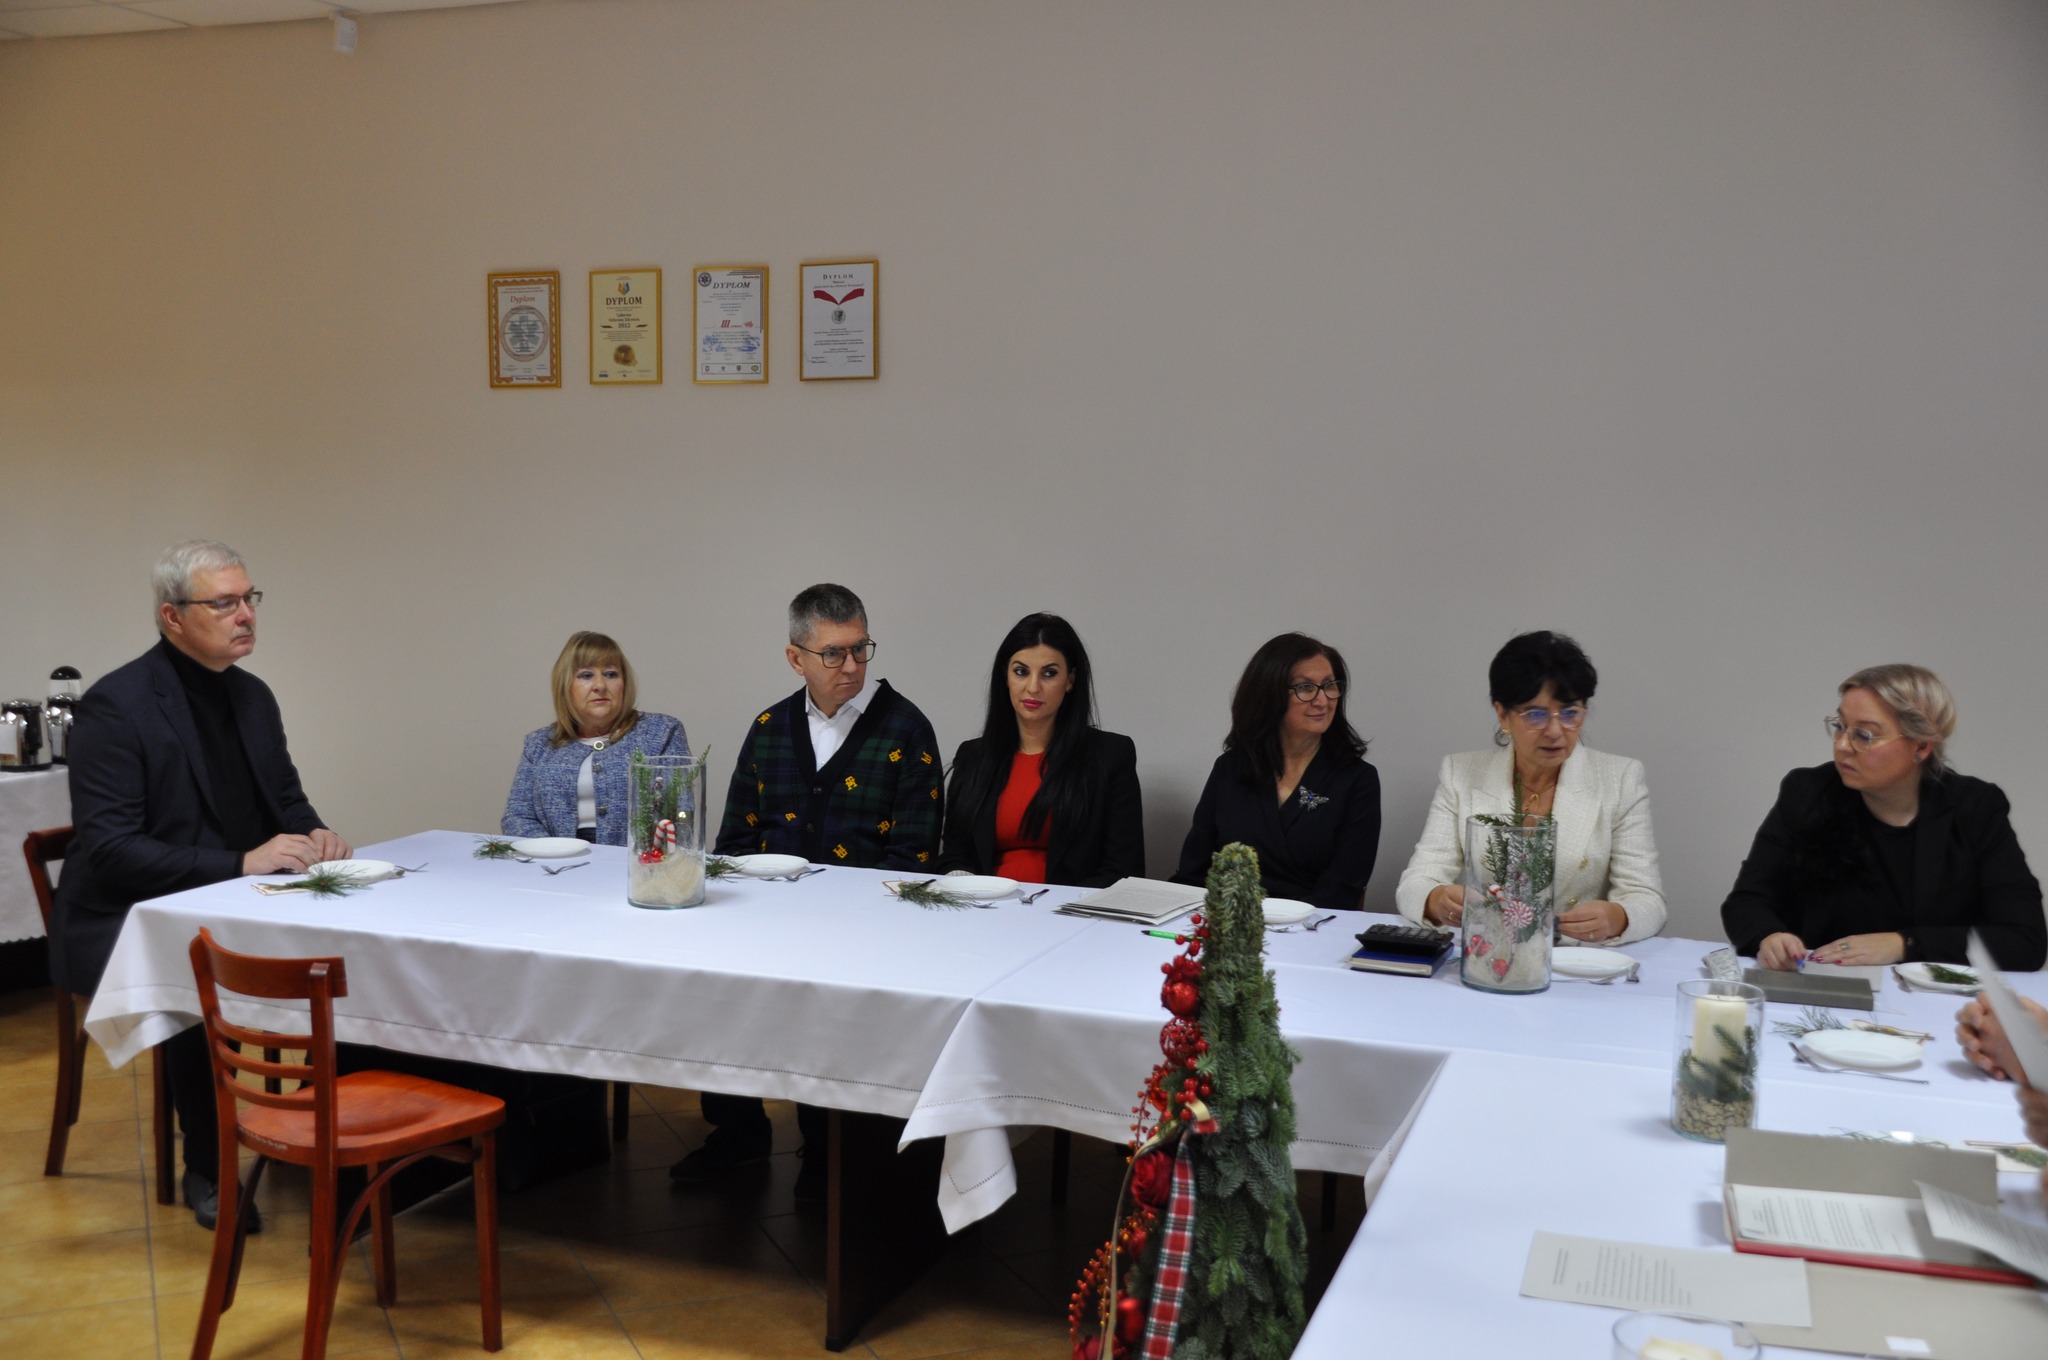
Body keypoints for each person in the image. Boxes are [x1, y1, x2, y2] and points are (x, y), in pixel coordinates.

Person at [52, 540, 350, 1230]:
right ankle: (209, 1169)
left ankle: (329, 1137)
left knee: (342, 955)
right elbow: (112, 850)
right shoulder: (116, 705)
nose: (246, 615)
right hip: (127, 915)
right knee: (198, 974)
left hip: (231, 894)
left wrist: (317, 836)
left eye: (249, 599)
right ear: (173, 617)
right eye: (224, 603)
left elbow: (286, 801)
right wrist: (240, 862)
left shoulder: (252, 695)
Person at [673, 583, 944, 1199]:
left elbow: (913, 857)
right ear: (796, 658)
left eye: (860, 649)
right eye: (833, 654)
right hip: (766, 919)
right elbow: (734, 842)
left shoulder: (907, 729)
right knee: (719, 988)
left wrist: (852, 922)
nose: (851, 666)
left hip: (863, 930)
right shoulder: (770, 728)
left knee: (833, 1022)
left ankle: (827, 1150)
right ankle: (738, 1131)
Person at [1721, 664, 2045, 971]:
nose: (1842, 745)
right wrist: (1769, 937)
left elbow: (2025, 939)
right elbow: (1747, 901)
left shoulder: (1975, 808)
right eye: (1840, 727)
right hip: (1826, 986)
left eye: (1864, 735)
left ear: (1921, 747)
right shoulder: (1808, 793)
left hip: (1934, 999)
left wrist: (1903, 944)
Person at [1395, 631, 1667, 945]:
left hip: (1575, 958)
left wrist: (1620, 917)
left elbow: (1647, 898)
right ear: (1503, 715)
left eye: (1570, 713)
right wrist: (1435, 899)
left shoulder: (1620, 778)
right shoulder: (1461, 773)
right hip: (1490, 953)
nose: (1554, 731)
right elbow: (1417, 881)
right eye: (1536, 714)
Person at [1172, 633, 1379, 911]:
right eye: (1306, 687)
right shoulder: (1230, 768)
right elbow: (1194, 871)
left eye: (1330, 685)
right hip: (1231, 922)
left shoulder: (1357, 779)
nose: (1322, 700)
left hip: (1313, 924)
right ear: (1269, 695)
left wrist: (1280, 922)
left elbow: (1342, 889)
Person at [939, 613, 1144, 887]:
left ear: (1070, 680)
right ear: (1005, 677)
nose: (1033, 687)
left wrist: (1060, 907)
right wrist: (964, 884)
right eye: (1021, 672)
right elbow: (955, 854)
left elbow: (1124, 869)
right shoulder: (973, 756)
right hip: (986, 907)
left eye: (1049, 673)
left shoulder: (1111, 755)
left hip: (1074, 908)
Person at [502, 631, 689, 844]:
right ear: (565, 686)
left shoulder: (662, 732)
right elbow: (517, 817)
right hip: (556, 861)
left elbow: (681, 811)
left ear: (624, 683)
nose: (600, 685)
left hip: (640, 861)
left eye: (611, 674)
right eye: (586, 675)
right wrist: (555, 852)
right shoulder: (539, 744)